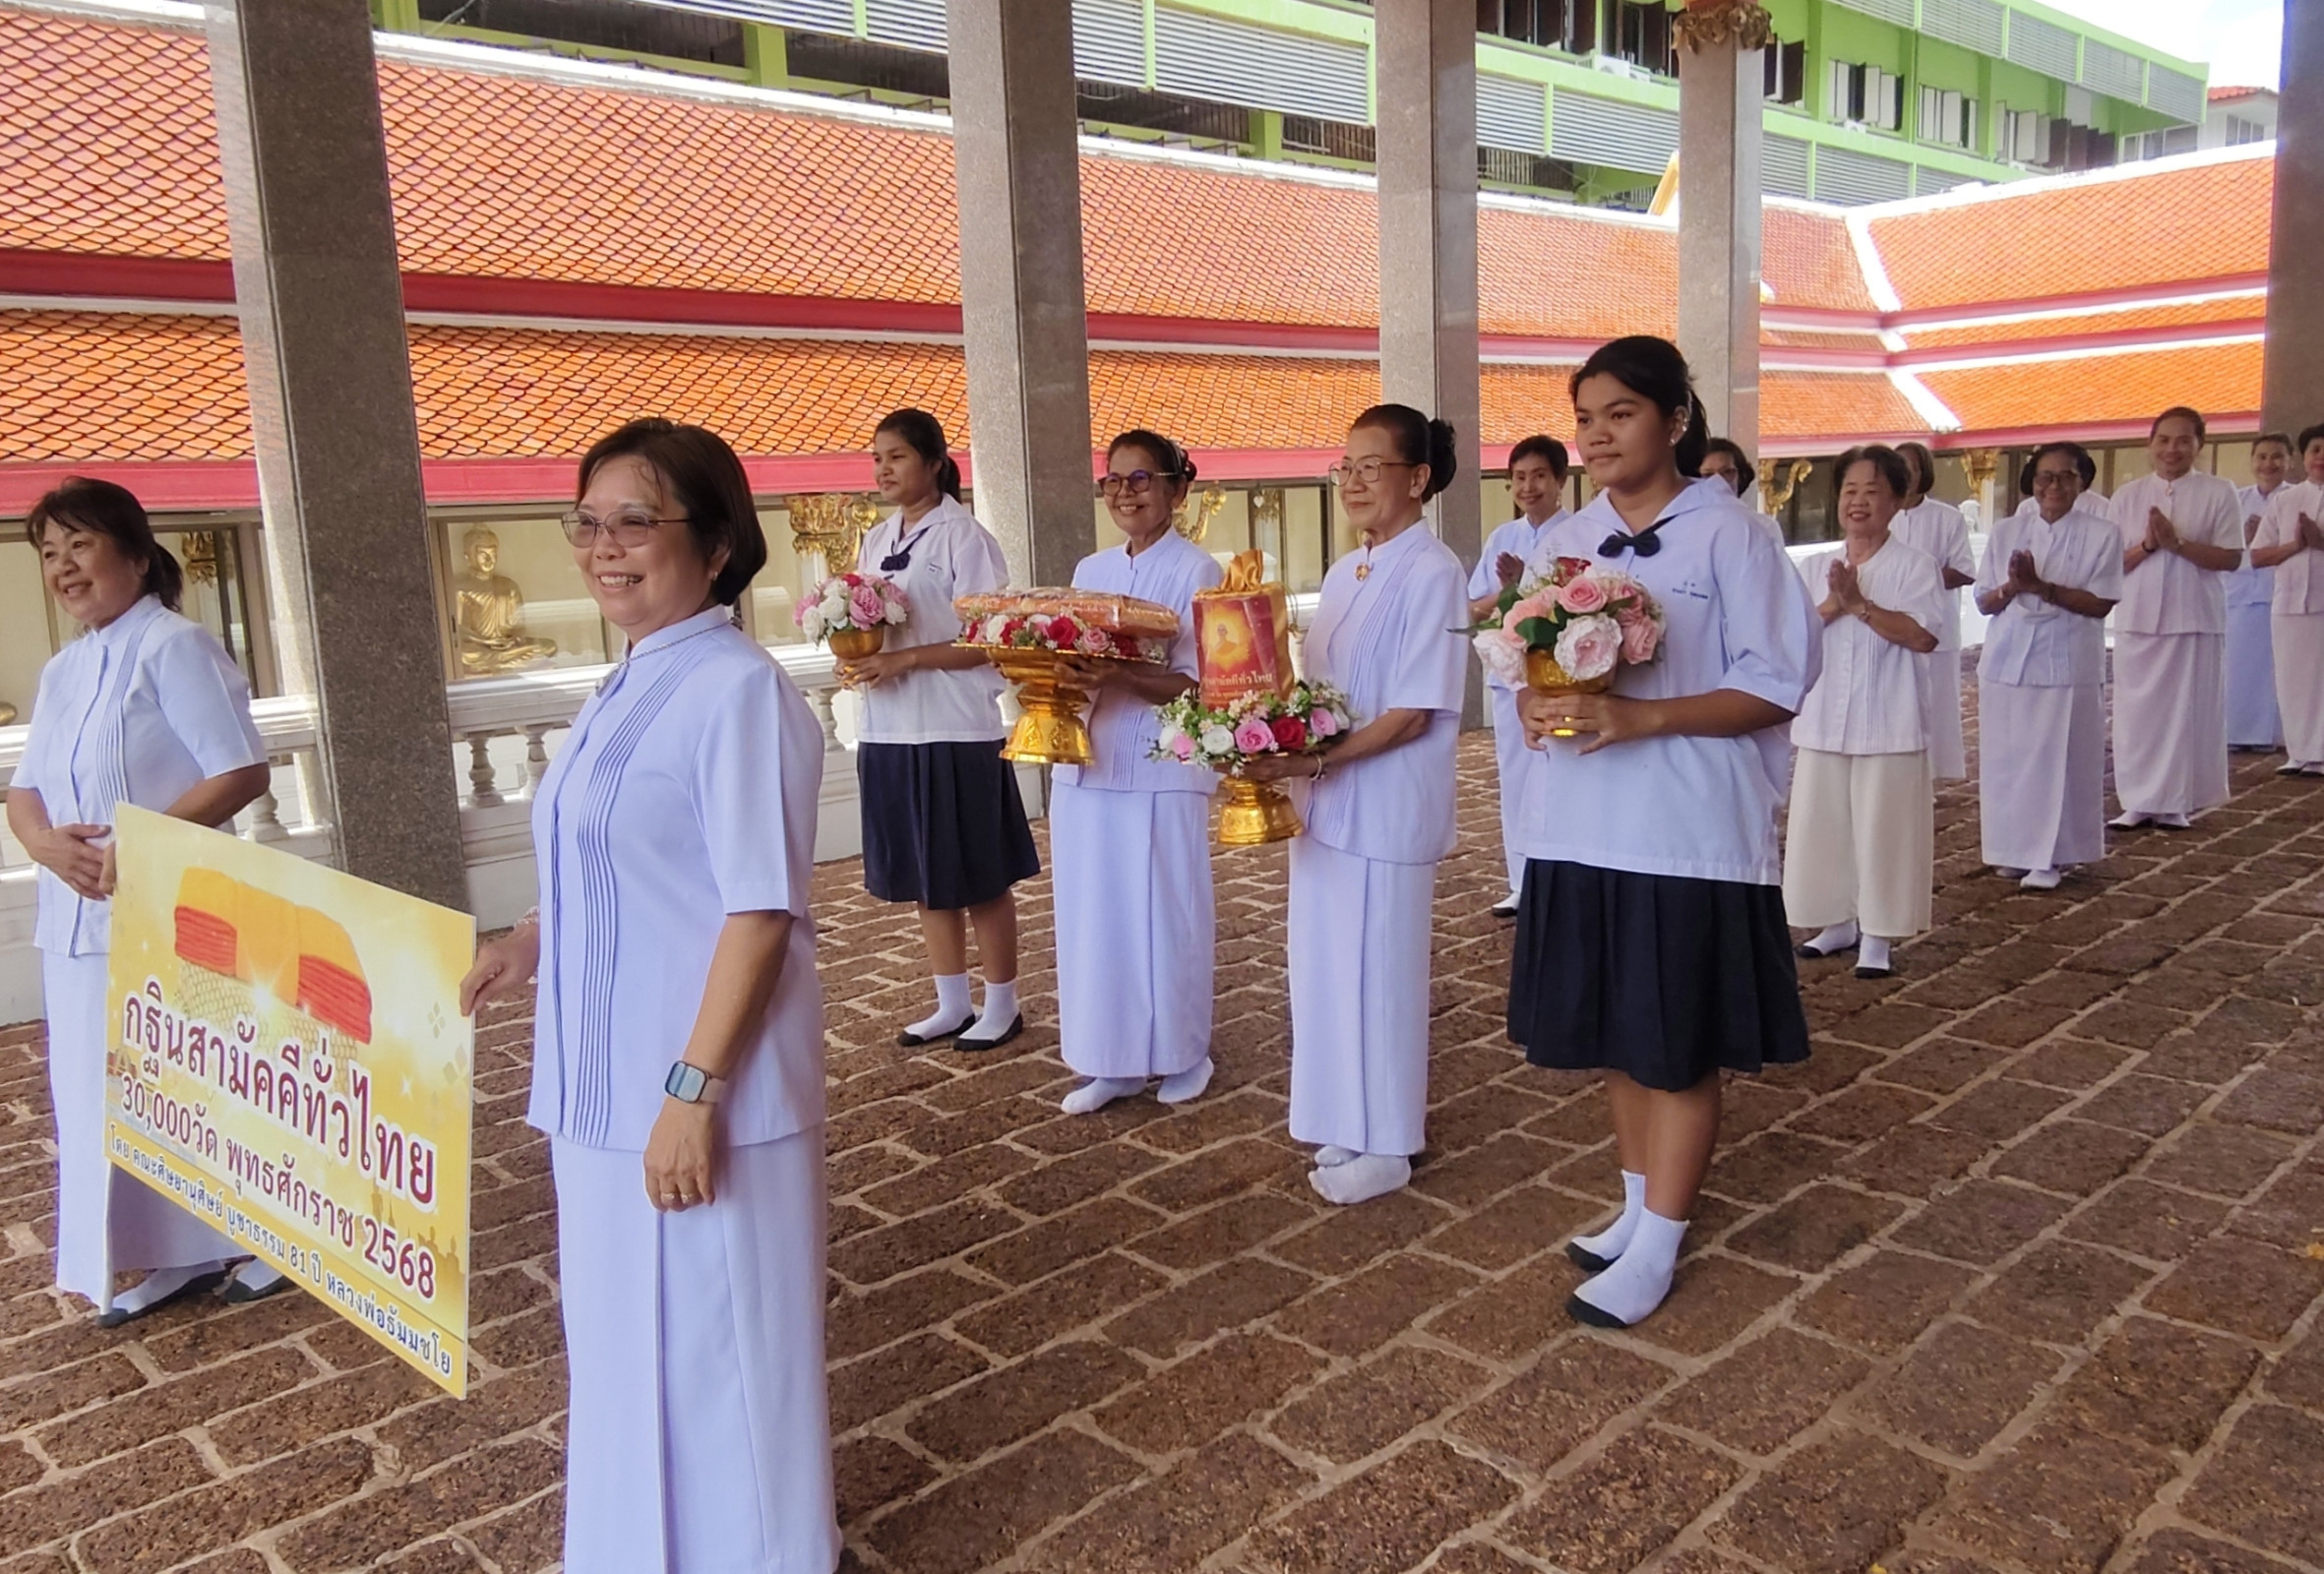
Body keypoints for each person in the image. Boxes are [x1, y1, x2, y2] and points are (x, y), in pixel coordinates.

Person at [459, 419, 839, 1574]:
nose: (603, 547)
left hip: (698, 1093)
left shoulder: (735, 691)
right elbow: (616, 853)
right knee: (624, 1347)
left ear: (716, 546)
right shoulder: (627, 679)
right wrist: (532, 939)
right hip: (601, 1090)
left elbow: (758, 909)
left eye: (636, 521)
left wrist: (691, 1090)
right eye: (586, 523)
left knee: (724, 1356)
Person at [1507, 336, 1818, 1328]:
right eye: (1584, 417)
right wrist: (1532, 699)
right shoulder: (1570, 541)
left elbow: (1777, 683)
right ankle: (1638, 1207)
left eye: (1621, 413)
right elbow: (1528, 660)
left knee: (1675, 1040)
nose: (1596, 435)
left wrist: (1642, 716)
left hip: (1685, 829)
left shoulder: (1732, 536)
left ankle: (1662, 1241)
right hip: (1582, 823)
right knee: (1615, 1031)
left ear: (1675, 420)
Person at [6, 478, 276, 1325]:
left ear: (131, 551)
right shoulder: (63, 669)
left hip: (171, 911)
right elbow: (25, 790)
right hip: (77, 923)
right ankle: (176, 1251)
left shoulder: (174, 646)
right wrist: (43, 845)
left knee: (200, 1080)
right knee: (110, 1094)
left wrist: (141, 842)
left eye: (80, 545)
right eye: (50, 553)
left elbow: (240, 769)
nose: (64, 566)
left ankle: (267, 1238)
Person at [1235, 404, 1468, 1206]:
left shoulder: (1435, 572)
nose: (1355, 481)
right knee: (1326, 969)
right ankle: (1344, 1114)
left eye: (1374, 466)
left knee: (1382, 975)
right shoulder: (1345, 572)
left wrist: (1316, 757)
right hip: (1325, 798)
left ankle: (1390, 1141)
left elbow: (1414, 711)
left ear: (1418, 478)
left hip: (1386, 802)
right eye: (1347, 467)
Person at [835, 409, 1038, 1050]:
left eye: (896, 456)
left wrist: (907, 660)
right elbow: (867, 621)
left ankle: (1002, 1004)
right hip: (891, 730)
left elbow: (989, 640)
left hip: (955, 728)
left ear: (933, 462)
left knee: (980, 875)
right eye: (876, 458)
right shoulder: (875, 539)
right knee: (928, 876)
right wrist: (854, 655)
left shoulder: (965, 538)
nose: (883, 469)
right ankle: (952, 1002)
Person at [1048, 430, 1225, 1114]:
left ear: (1178, 489)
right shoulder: (1090, 568)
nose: (1126, 493)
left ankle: (1184, 1052)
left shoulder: (1198, 572)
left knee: (1167, 918)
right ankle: (1110, 1059)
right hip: (1087, 766)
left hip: (1161, 766)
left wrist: (1118, 673)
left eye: (1142, 478)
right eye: (1114, 481)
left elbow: (1202, 683)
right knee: (1095, 922)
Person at [1786, 447, 1944, 979]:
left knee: (1884, 831)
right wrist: (1834, 604)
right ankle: (1837, 922)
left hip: (1889, 719)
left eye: (1872, 492)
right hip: (1824, 719)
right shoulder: (1814, 567)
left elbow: (1923, 636)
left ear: (1897, 500)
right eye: (1850, 491)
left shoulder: (1916, 566)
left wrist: (1860, 605)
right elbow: (1792, 636)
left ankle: (1877, 934)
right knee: (1824, 826)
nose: (1858, 502)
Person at [1975, 442, 2123, 887]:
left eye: (2065, 476)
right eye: (2045, 476)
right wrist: (2012, 587)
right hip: (2007, 660)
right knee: (2008, 760)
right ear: (2032, 482)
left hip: (2066, 661)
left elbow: (2101, 603)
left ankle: (2049, 856)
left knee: (2057, 760)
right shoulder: (2007, 531)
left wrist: (2042, 588)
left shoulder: (2103, 534)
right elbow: (1984, 601)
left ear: (2081, 482)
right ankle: (2011, 849)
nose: (2054, 485)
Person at [2108, 407, 2244, 829]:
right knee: (2136, 714)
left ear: (2199, 445)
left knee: (2184, 714)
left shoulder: (2219, 492)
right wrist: (2149, 546)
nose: (2172, 449)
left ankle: (2175, 801)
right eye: (2164, 440)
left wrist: (2178, 544)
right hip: (2138, 617)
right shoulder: (2127, 497)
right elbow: (2110, 564)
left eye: (2184, 440)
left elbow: (2231, 557)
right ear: (2150, 444)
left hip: (2193, 616)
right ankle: (2137, 798)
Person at [1467, 435, 1572, 915]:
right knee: (1515, 778)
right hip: (1511, 675)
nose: (1528, 487)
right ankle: (1520, 881)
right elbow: (1475, 606)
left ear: (1560, 480)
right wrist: (1512, 589)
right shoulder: (1502, 538)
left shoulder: (1578, 534)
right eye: (1519, 477)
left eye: (1539, 476)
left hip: (1562, 675)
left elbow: (1577, 598)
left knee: (1562, 776)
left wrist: (1524, 584)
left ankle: (1564, 880)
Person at [1890, 442, 1977, 783]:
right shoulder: (1881, 513)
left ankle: (1934, 775)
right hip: (1889, 627)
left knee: (1937, 706)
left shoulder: (1947, 518)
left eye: (1911, 467)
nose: (1905, 474)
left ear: (1923, 472)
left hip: (1936, 628)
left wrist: (1918, 580)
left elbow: (1965, 570)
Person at [2251, 423, 2324, 776]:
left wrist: (2320, 542)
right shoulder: (2285, 501)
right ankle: (2299, 752)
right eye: (2315, 450)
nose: (2321, 457)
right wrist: (2296, 544)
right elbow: (2258, 555)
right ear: (2304, 457)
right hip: (2289, 602)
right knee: (2292, 678)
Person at [2228, 434, 2292, 752]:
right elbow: (2224, 549)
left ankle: (2274, 735)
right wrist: (2247, 539)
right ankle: (2237, 732)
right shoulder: (2236, 501)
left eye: (2276, 456)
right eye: (2262, 457)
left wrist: (2267, 540)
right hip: (2239, 596)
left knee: (2277, 670)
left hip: (2282, 593)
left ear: (2289, 461)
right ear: (2252, 461)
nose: (2269, 464)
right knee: (2238, 668)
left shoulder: (2297, 499)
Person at [1697, 437, 1786, 542]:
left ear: (1741, 476)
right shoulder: (1685, 526)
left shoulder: (1763, 527)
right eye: (1708, 475)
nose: (1718, 481)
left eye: (1727, 472)